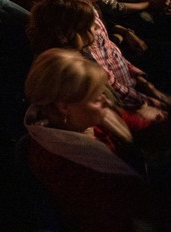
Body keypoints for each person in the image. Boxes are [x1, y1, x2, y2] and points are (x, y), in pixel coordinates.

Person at [23, 49, 167, 231]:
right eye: (96, 98)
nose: (106, 102)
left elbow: (136, 124)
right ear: (64, 107)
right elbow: (117, 216)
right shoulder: (62, 166)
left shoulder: (87, 119)